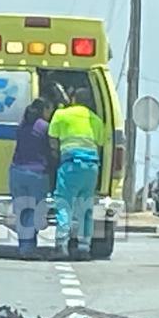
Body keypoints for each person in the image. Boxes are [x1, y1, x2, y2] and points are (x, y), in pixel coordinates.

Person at [48, 86, 105, 260]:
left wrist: (57, 156)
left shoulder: (61, 114)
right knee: (85, 207)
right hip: (92, 168)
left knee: (64, 204)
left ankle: (61, 246)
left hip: (71, 165)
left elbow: (52, 140)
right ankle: (84, 248)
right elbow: (100, 144)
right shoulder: (96, 120)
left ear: (73, 99)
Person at [9, 97, 56, 259]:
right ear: (44, 110)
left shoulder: (22, 126)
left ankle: (24, 245)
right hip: (37, 174)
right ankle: (28, 248)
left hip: (17, 172)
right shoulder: (45, 127)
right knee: (34, 212)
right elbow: (51, 150)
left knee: (23, 211)